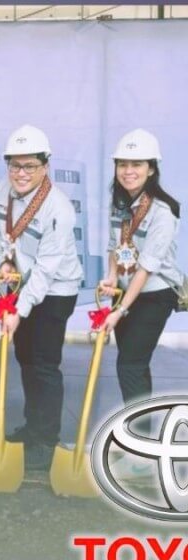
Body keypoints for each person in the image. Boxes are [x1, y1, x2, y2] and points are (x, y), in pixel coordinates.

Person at [0, 124, 83, 470]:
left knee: (44, 364)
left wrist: (19, 310)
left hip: (55, 290)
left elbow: (45, 270)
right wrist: (5, 258)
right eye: (14, 166)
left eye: (29, 166)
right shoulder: (1, 191)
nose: (21, 174)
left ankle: (46, 439)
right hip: (21, 282)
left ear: (45, 166)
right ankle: (32, 425)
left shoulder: (59, 208)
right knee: (26, 359)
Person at [99, 129, 181, 413]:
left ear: (151, 169)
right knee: (134, 363)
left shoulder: (162, 213)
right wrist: (111, 277)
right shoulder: (120, 204)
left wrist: (119, 310)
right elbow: (114, 246)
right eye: (123, 164)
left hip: (154, 293)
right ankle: (142, 433)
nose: (128, 171)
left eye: (136, 164)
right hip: (125, 291)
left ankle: (138, 443)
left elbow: (146, 268)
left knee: (129, 364)